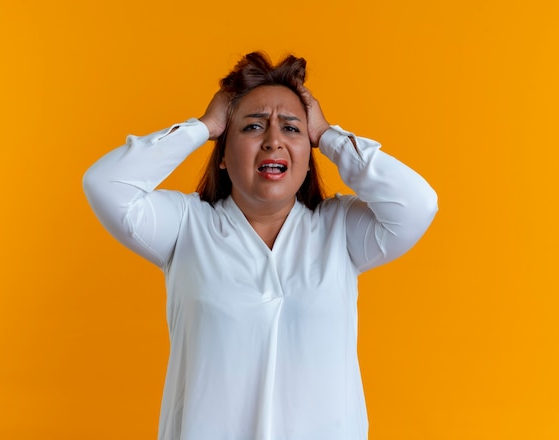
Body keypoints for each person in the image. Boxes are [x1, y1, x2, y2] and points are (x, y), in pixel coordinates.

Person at [83, 52, 438, 440]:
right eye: (252, 127)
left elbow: (417, 204)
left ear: (308, 157)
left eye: (291, 129)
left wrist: (328, 135)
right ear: (221, 154)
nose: (273, 141)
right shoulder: (185, 227)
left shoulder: (340, 231)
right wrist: (203, 126)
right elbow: (106, 184)